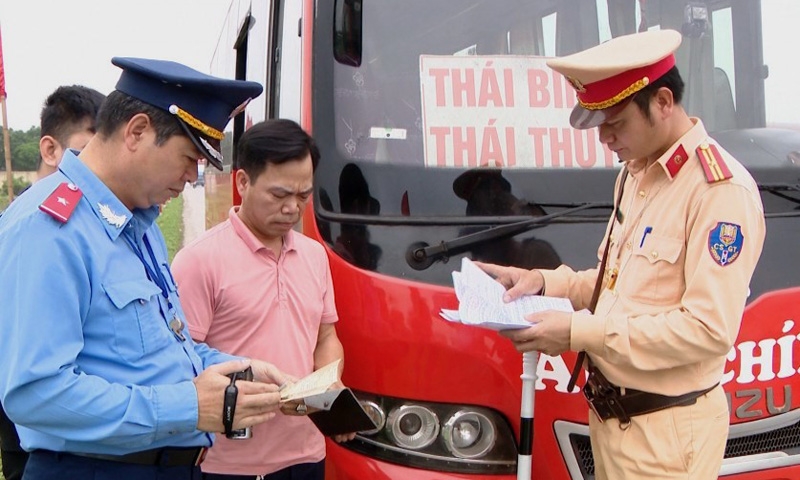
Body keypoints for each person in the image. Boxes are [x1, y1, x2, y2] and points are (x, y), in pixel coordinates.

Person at [478, 29, 765, 478]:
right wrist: (545, 281)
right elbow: (621, 283)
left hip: (668, 436)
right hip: (616, 422)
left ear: (664, 102)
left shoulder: (718, 192)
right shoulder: (636, 174)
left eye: (616, 123)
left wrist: (578, 333)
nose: (605, 139)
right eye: (600, 125)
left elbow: (708, 330)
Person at [0, 57, 289, 480]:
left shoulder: (139, 221)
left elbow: (155, 350)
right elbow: (36, 393)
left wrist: (237, 369)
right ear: (136, 131)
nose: (192, 177)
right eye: (189, 157)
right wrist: (189, 406)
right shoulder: (49, 228)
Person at [172, 119, 354, 480]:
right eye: (279, 195)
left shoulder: (314, 255)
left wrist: (329, 387)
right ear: (242, 182)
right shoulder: (199, 260)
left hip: (305, 453)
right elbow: (179, 359)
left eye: (303, 196)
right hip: (227, 464)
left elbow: (326, 336)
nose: (292, 209)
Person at [0, 83, 106, 480]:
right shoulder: (30, 223)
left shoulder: (96, 223)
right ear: (50, 150)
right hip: (24, 409)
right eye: (85, 150)